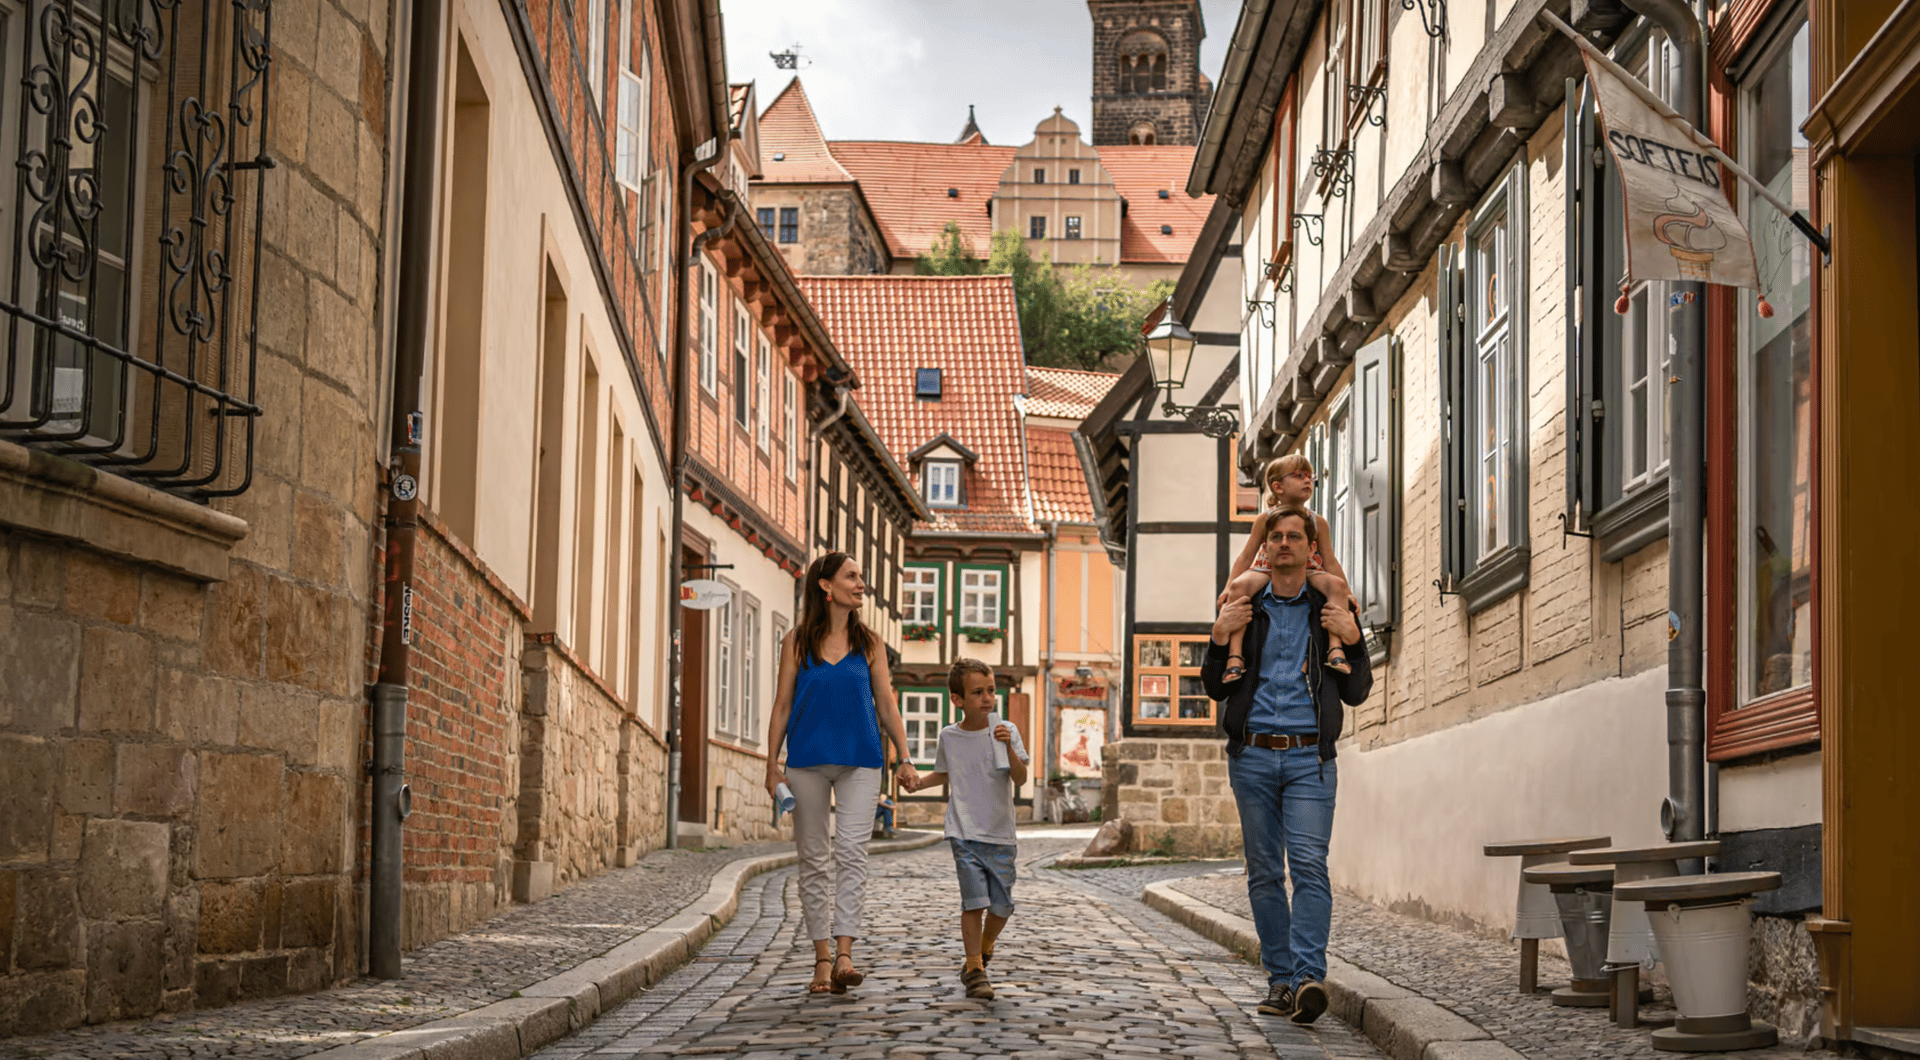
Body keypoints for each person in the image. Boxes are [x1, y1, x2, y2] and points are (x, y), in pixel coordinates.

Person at [1203, 505, 1371, 1024]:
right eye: (1274, 536)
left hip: (1309, 760)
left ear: (1308, 547)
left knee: (1309, 868)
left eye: (1293, 536)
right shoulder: (1245, 606)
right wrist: (1215, 640)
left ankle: (1307, 980)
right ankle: (1280, 980)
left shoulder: (1330, 609)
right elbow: (1215, 687)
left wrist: (1357, 638)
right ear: (1266, 548)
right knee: (1265, 873)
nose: (1283, 543)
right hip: (1252, 755)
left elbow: (1357, 692)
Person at [765, 552, 919, 995]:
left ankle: (846, 955)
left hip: (861, 759)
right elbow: (781, 705)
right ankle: (821, 960)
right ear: (825, 586)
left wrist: (905, 756)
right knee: (813, 860)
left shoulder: (870, 643)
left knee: (851, 852)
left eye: (861, 577)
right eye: (852, 576)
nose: (861, 583)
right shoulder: (796, 641)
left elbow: (886, 704)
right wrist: (771, 764)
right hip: (806, 761)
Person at [901, 658, 1028, 1000]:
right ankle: (974, 968)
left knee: (1002, 907)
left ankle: (985, 947)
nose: (988, 699)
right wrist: (917, 784)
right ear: (957, 699)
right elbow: (944, 773)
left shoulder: (1007, 731)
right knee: (974, 902)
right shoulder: (949, 736)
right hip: (963, 831)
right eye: (978, 693)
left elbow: (1020, 778)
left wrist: (1007, 748)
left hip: (1000, 834)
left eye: (991, 691)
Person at [1219, 455, 1357, 678]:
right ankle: (1235, 656)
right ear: (1278, 487)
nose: (1307, 481)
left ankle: (1335, 648)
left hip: (1309, 568)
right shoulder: (1265, 519)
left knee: (1336, 586)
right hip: (1266, 567)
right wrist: (1228, 588)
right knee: (1239, 587)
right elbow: (1246, 557)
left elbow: (1330, 560)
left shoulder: (1317, 522)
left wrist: (1347, 592)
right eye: (1298, 476)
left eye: (1310, 477)